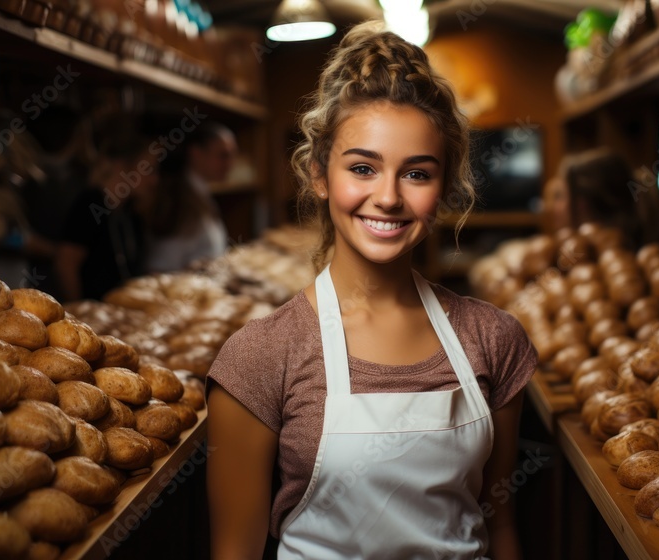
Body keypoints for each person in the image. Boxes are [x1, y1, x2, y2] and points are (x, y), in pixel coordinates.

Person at [206, 22, 538, 559]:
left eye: (416, 174)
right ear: (318, 174)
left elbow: (499, 529)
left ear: (444, 185)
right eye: (362, 167)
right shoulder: (261, 358)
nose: (387, 198)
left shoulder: (494, 340)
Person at [56, 131, 157, 301]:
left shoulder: (129, 212)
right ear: (122, 166)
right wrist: (77, 316)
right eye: (150, 170)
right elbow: (66, 264)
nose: (154, 180)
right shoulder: (91, 204)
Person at [144, 122, 234, 272]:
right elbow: (161, 265)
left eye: (232, 155)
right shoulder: (178, 197)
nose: (230, 163)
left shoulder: (199, 192)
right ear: (196, 153)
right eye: (223, 155)